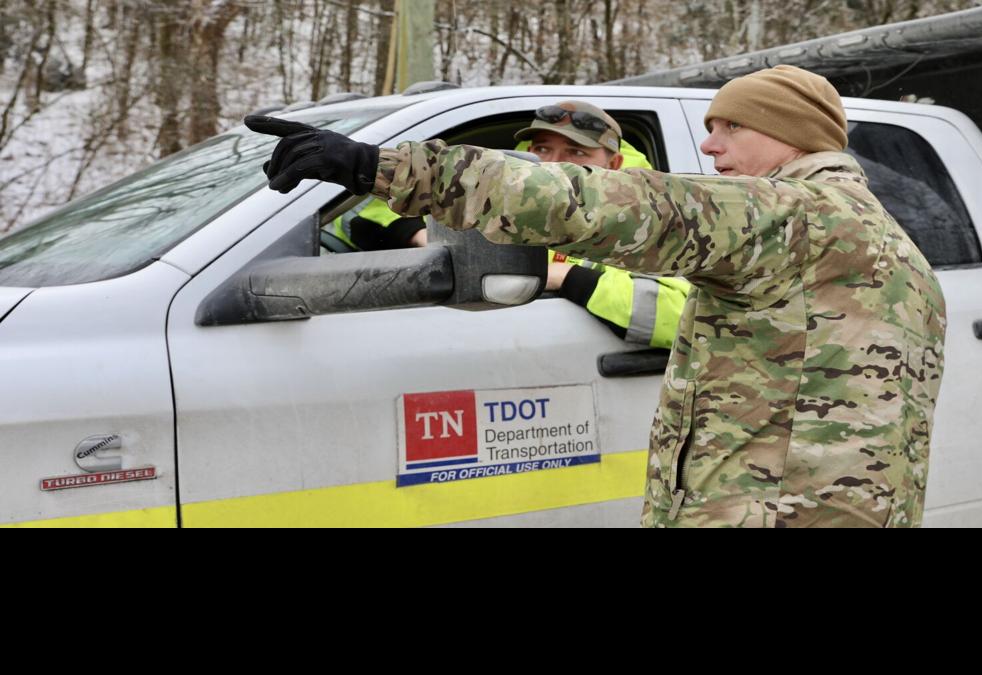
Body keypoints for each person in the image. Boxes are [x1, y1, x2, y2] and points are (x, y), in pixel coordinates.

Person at [248, 65, 945, 528]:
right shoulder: (879, 236)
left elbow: (611, 207)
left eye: (731, 126)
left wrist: (381, 167)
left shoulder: (796, 215)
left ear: (792, 134)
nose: (708, 145)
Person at [320, 101, 687, 350]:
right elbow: (356, 217)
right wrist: (420, 234)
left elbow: (679, 318)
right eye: (542, 149)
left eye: (577, 153)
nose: (553, 165)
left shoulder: (648, 217)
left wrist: (561, 278)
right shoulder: (502, 199)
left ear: (614, 162)